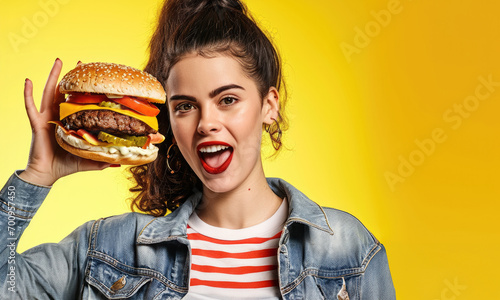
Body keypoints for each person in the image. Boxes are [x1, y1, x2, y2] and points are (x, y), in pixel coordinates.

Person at [0, 0, 396, 299]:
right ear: (169, 121)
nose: (206, 123)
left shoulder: (347, 249)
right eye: (185, 106)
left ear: (269, 106)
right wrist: (38, 175)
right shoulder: (110, 248)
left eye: (227, 100)